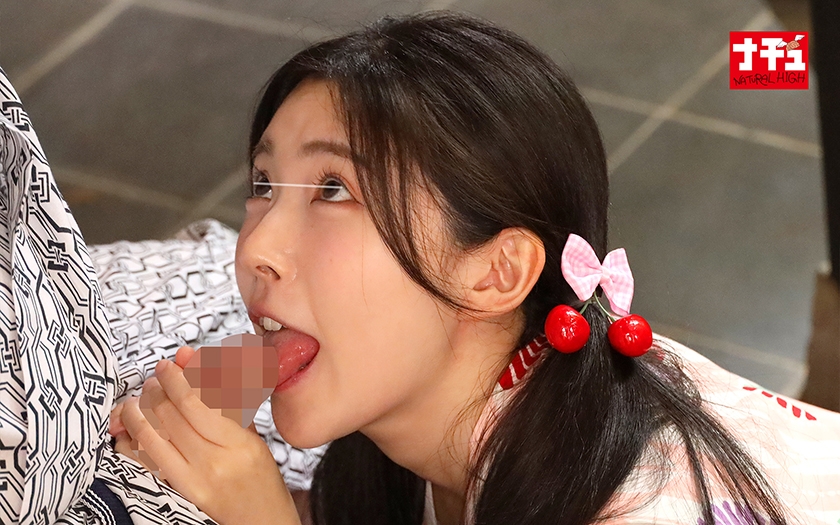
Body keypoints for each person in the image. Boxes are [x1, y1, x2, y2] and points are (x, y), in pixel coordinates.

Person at [108, 12, 840, 525]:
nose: (255, 247)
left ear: (495, 274)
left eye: (333, 190)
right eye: (264, 184)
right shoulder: (409, 442)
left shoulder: (636, 506)